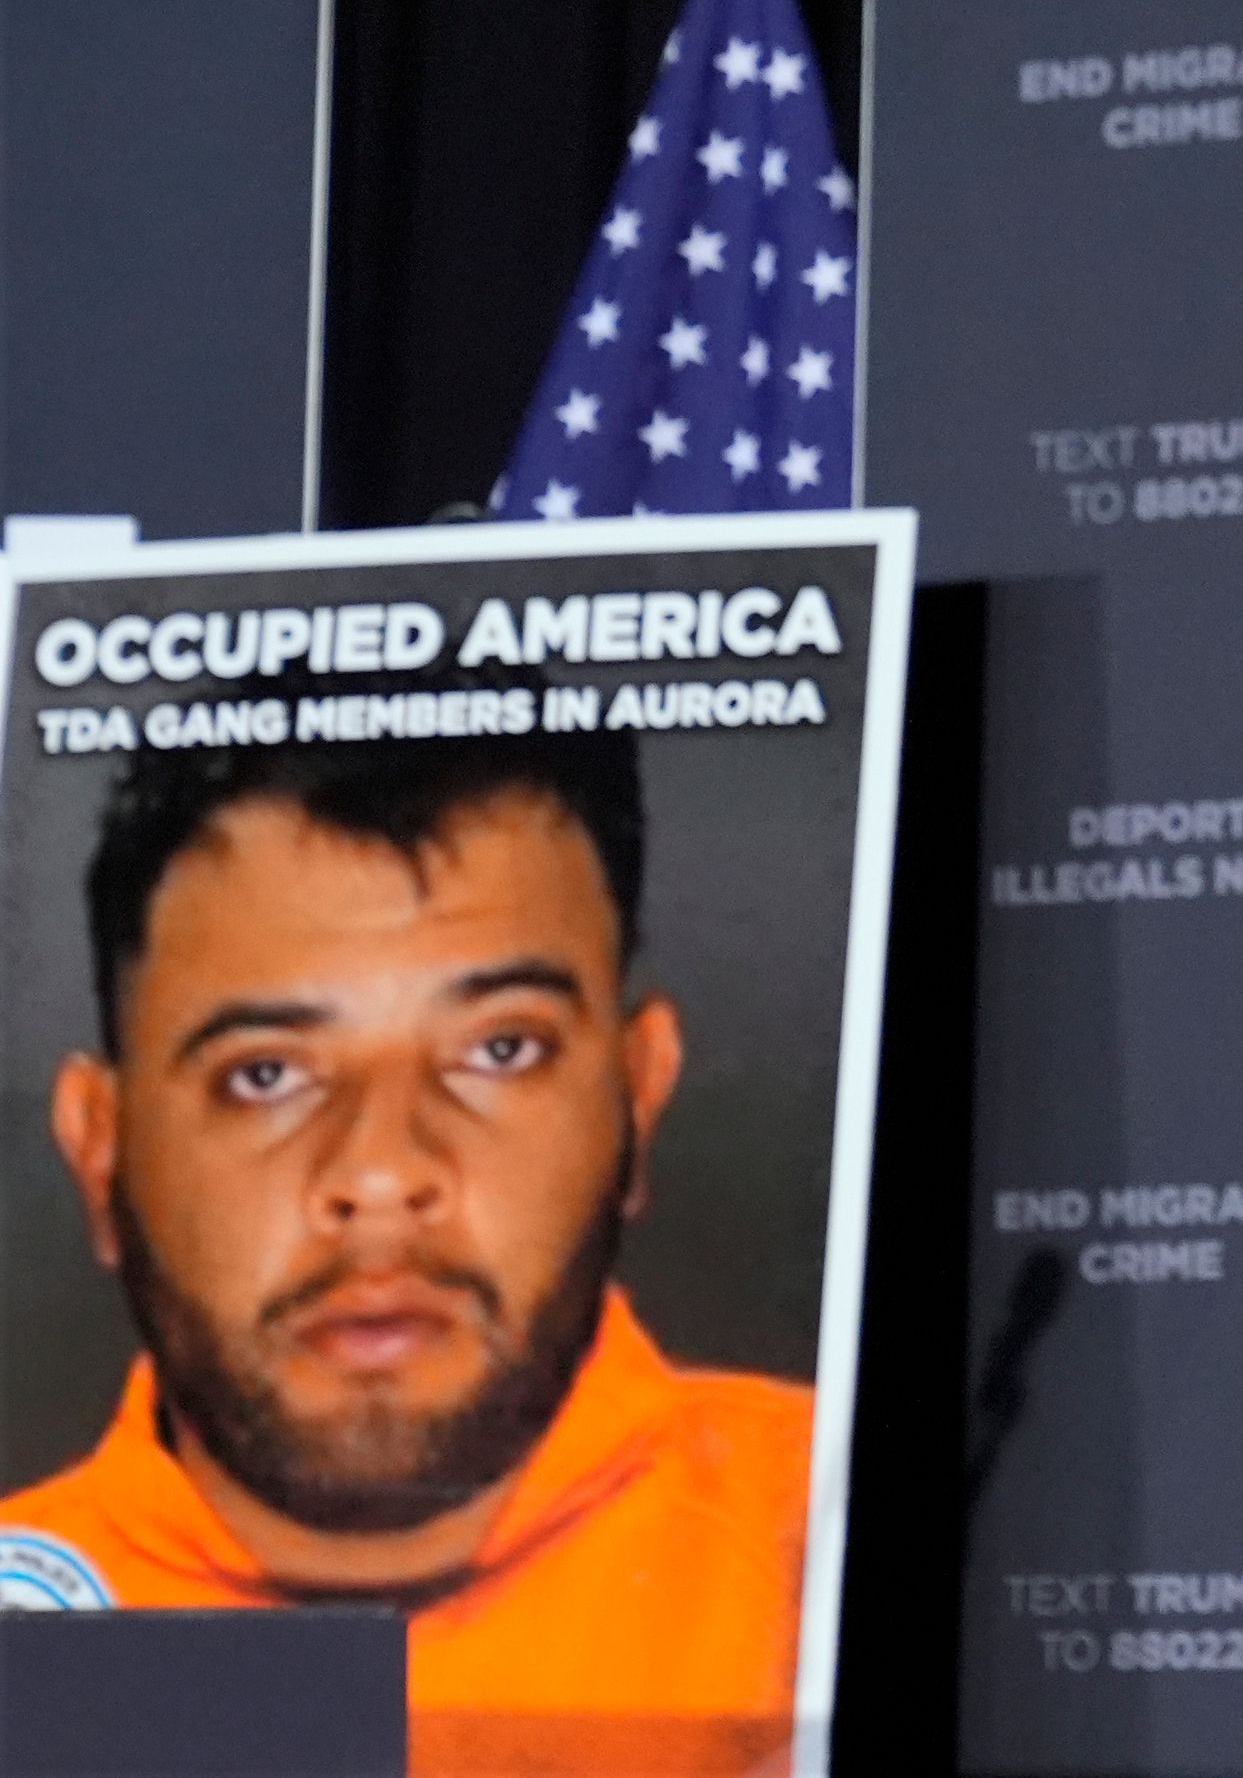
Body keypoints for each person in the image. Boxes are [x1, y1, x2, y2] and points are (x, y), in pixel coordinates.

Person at [0, 727, 811, 1778]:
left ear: (638, 1098)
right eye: (265, 1074)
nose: (381, 1174)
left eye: (499, 1049)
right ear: (101, 1150)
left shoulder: (829, 1523)